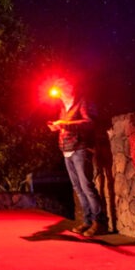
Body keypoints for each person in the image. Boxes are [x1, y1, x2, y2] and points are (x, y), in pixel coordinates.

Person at [47, 78, 104, 236]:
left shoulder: (81, 102)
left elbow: (89, 122)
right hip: (66, 150)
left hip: (80, 149)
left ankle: (99, 222)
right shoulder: (62, 107)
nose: (58, 93)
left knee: (86, 186)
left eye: (61, 89)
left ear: (69, 88)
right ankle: (86, 221)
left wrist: (64, 123)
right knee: (78, 188)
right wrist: (57, 126)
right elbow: (65, 125)